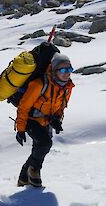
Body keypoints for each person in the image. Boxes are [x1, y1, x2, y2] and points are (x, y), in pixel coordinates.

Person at [15, 53, 75, 187]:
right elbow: (23, 107)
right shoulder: (39, 84)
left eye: (69, 70)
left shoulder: (67, 87)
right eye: (63, 70)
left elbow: (62, 105)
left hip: (46, 121)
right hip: (31, 119)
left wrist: (57, 120)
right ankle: (34, 171)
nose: (67, 74)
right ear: (54, 70)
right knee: (45, 144)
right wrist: (20, 129)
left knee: (38, 150)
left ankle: (23, 179)